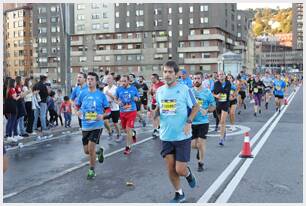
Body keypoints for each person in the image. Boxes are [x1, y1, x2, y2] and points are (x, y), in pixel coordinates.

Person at [154, 60, 199, 203]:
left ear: (176, 74)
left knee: (180, 169)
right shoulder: (159, 91)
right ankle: (179, 193)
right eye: (165, 72)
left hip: (182, 136)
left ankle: (188, 174)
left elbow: (196, 107)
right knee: (170, 168)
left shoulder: (185, 89)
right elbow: (159, 107)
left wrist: (189, 121)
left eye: (170, 72)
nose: (167, 75)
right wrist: (154, 115)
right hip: (166, 135)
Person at [76, 72, 110, 179]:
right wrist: (77, 112)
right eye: (88, 79)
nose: (89, 81)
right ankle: (99, 152)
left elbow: (108, 109)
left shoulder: (101, 95)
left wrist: (102, 115)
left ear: (96, 82)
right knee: (87, 151)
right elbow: (77, 106)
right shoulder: (83, 93)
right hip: (85, 125)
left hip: (97, 125)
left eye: (92, 79)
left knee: (91, 148)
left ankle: (91, 170)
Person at [191, 72, 215, 172]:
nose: (196, 80)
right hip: (192, 122)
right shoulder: (190, 92)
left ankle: (201, 163)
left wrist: (207, 110)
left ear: (202, 80)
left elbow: (213, 106)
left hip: (203, 122)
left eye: (198, 78)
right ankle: (199, 150)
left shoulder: (207, 92)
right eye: (195, 78)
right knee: (193, 145)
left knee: (201, 143)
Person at [115, 75, 139, 155]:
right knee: (125, 129)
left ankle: (128, 147)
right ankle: (133, 133)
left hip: (132, 111)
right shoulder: (119, 89)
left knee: (128, 129)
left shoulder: (133, 88)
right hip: (122, 112)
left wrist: (136, 98)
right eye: (122, 81)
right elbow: (115, 98)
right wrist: (118, 102)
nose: (123, 83)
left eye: (125, 81)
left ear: (128, 81)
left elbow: (137, 98)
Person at [212, 71, 231, 146]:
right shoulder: (216, 83)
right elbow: (212, 92)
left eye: (222, 74)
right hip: (218, 104)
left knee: (223, 121)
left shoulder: (228, 83)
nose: (221, 76)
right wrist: (216, 96)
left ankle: (221, 138)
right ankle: (224, 131)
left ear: (224, 75)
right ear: (218, 76)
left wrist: (221, 90)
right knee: (220, 121)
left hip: (225, 104)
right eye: (220, 75)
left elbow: (227, 91)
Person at [103, 75, 121, 142]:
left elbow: (118, 99)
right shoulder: (105, 88)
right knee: (105, 121)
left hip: (115, 108)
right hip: (107, 108)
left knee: (115, 123)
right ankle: (110, 132)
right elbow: (103, 97)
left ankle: (119, 134)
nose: (108, 80)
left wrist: (110, 95)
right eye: (107, 79)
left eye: (109, 78)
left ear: (113, 80)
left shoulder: (116, 88)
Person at [149, 73, 164, 139]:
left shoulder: (162, 85)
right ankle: (156, 129)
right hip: (153, 102)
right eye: (151, 78)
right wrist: (151, 95)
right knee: (154, 116)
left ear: (156, 78)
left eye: (152, 78)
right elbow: (150, 92)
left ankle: (160, 128)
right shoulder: (153, 84)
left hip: (160, 103)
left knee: (160, 117)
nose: (151, 79)